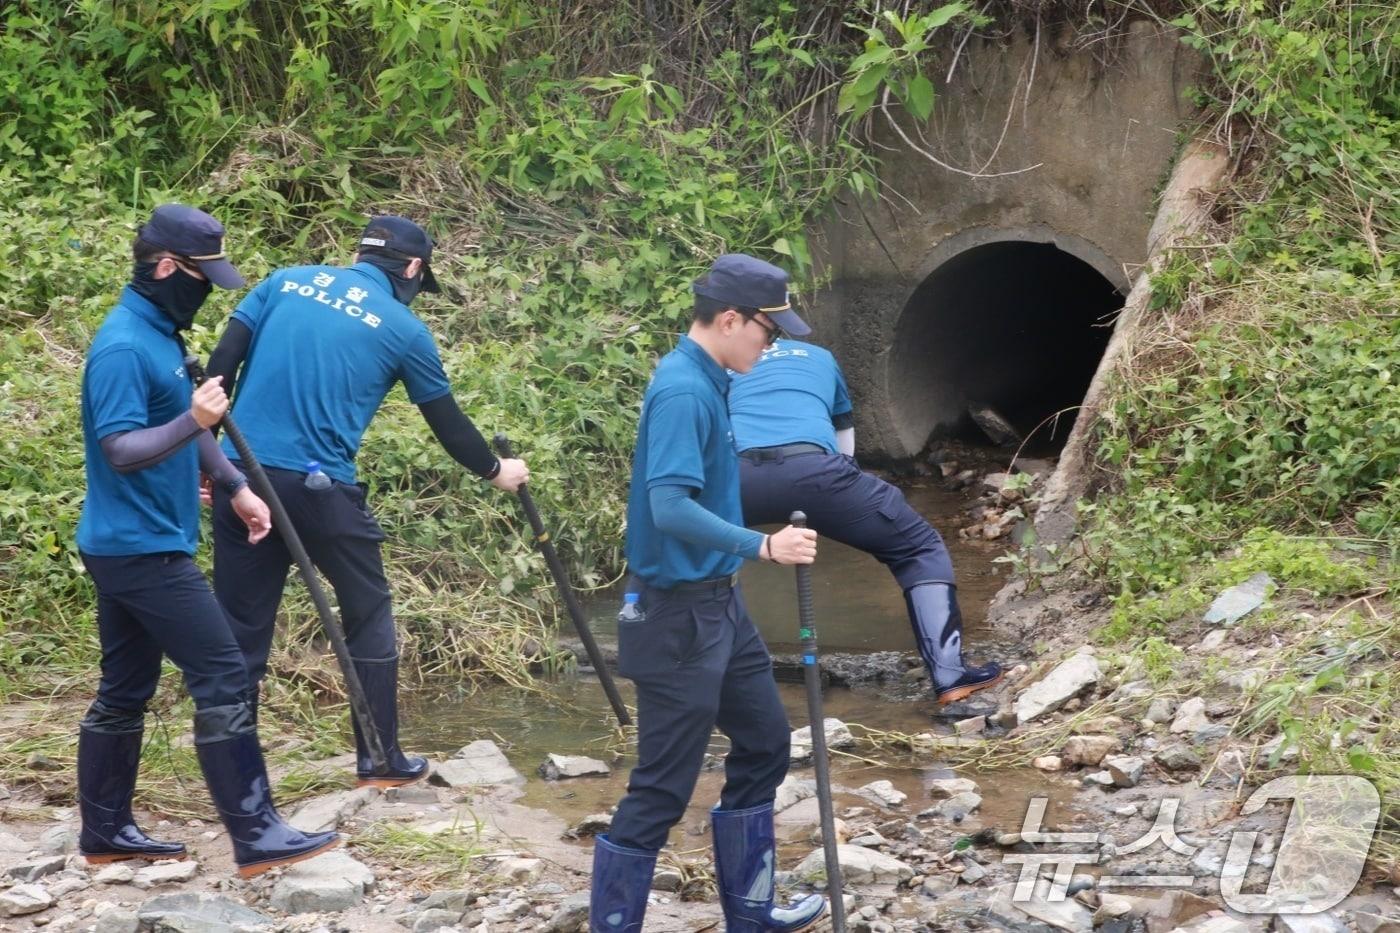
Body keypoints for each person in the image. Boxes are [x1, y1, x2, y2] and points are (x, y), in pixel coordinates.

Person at [205, 216, 528, 788]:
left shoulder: (283, 282)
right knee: (369, 611)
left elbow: (218, 372)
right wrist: (497, 469)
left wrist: (212, 464)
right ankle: (379, 760)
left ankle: (237, 781)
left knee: (242, 627)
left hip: (244, 481)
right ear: (411, 269)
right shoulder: (404, 329)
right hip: (319, 491)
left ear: (359, 255)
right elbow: (448, 426)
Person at [75, 204, 341, 876]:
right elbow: (122, 447)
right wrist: (192, 419)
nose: (207, 291)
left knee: (125, 687)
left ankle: (105, 832)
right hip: (140, 549)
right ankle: (256, 831)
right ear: (167, 266)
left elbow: (188, 427)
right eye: (201, 276)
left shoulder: (161, 332)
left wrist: (234, 484)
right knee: (222, 672)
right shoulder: (123, 346)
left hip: (138, 541)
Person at [591, 254, 827, 933]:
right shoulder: (684, 390)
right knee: (662, 787)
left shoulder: (711, 376)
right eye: (768, 331)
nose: (773, 344)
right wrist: (764, 545)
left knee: (764, 740)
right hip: (674, 617)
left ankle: (750, 914)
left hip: (718, 605)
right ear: (730, 319)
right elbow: (669, 507)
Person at [728, 338, 1002, 705]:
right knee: (918, 547)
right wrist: (837, 496)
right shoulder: (821, 357)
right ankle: (950, 674)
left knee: (700, 545)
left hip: (737, 475)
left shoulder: (725, 360)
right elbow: (844, 440)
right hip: (817, 472)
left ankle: (699, 665)